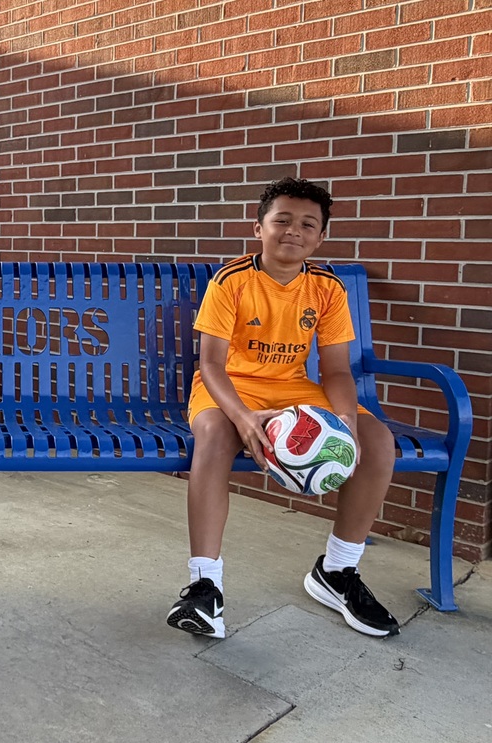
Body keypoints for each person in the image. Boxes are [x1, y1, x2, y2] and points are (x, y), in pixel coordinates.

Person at [166, 177, 399, 640]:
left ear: (321, 237)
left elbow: (334, 371)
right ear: (259, 228)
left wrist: (347, 421)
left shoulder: (327, 289)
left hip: (293, 388)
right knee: (213, 437)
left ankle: (337, 572)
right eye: (283, 220)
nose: (294, 230)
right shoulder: (231, 280)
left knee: (377, 440)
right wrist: (243, 417)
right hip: (229, 386)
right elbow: (210, 364)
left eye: (308, 224)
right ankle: (203, 586)